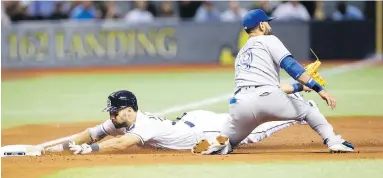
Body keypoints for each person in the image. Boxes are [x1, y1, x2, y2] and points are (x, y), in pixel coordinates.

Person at [192, 9, 354, 155]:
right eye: (267, 22)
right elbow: (291, 66)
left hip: (240, 105)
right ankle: (334, 141)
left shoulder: (241, 54)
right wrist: (319, 89)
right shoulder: (269, 40)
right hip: (268, 98)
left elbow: (270, 86)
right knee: (309, 110)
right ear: (261, 25)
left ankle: (221, 145)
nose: (269, 25)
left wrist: (301, 86)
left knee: (230, 140)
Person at [45, 84, 314, 155]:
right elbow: (91, 133)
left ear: (129, 109)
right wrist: (61, 147)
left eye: (115, 111)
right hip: (192, 122)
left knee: (252, 133)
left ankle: (301, 110)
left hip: (205, 130)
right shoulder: (122, 121)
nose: (111, 115)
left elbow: (121, 145)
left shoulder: (142, 125)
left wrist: (89, 150)